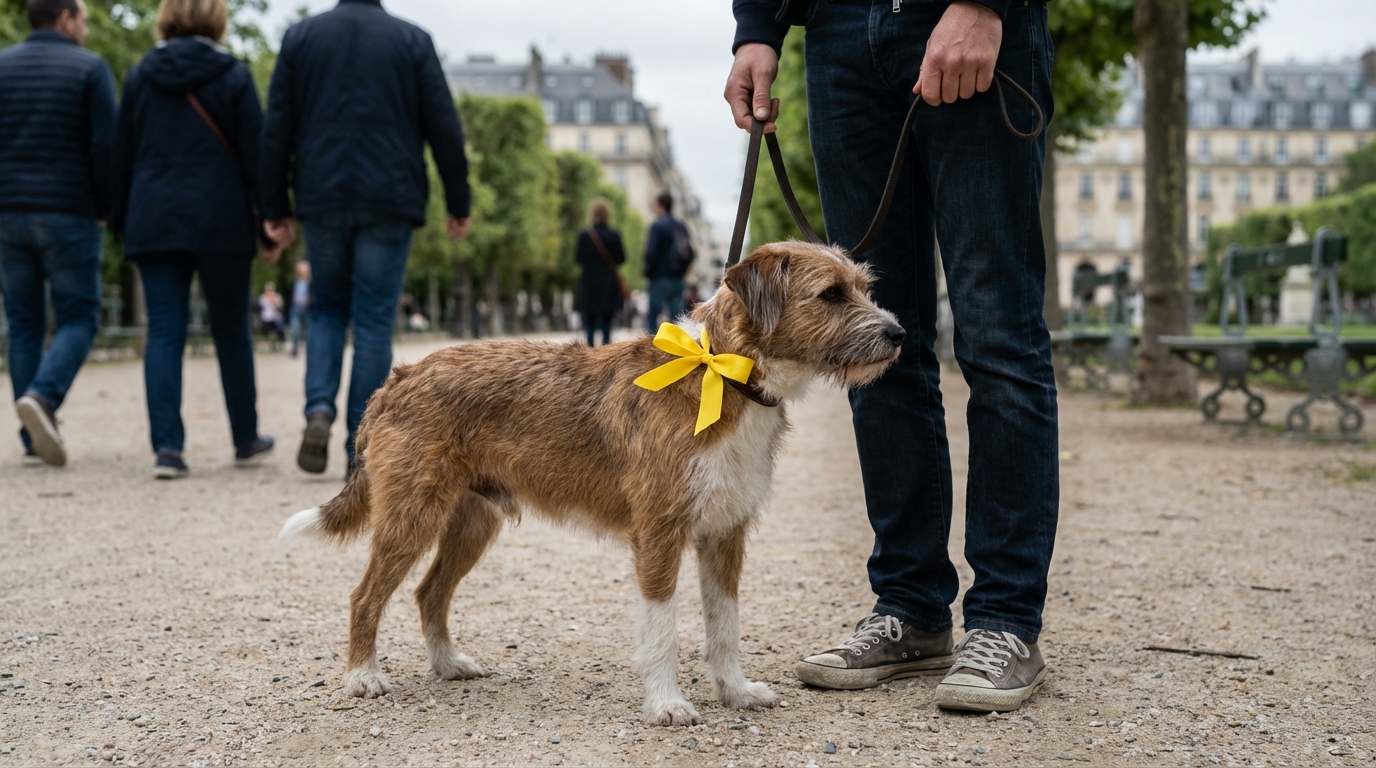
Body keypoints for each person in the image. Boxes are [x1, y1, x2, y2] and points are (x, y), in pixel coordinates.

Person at [726, 0, 1057, 712]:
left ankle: (1004, 620)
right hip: (838, 34)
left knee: (998, 334)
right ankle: (910, 608)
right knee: (870, 347)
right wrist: (756, 28)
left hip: (962, 17)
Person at [260, 0, 472, 478]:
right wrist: (459, 202)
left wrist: (273, 207)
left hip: (322, 192)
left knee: (327, 308)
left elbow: (277, 128)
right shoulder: (412, 40)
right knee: (374, 318)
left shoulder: (301, 37)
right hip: (389, 195)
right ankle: (362, 448)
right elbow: (444, 127)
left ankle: (317, 411)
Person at [109, 0, 278, 479]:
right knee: (231, 330)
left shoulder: (142, 73)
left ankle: (168, 448)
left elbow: (122, 152)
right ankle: (245, 438)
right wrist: (270, 218)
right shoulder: (234, 74)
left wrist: (120, 217)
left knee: (164, 330)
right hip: (222, 219)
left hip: (155, 217)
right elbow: (255, 156)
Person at [0, 0, 116, 468]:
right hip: (67, 210)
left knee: (24, 321)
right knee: (79, 317)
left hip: (7, 212)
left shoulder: (2, 66)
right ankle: (43, 400)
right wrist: (105, 207)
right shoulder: (88, 68)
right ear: (66, 17)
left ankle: (33, 437)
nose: (85, 29)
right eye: (83, 19)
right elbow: (105, 146)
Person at [574, 199, 626, 347]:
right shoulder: (614, 235)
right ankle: (605, 353)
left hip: (589, 283)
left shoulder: (584, 235)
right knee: (606, 321)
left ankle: (589, 353)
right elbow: (621, 259)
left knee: (589, 320)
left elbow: (578, 258)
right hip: (608, 283)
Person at [642, 191, 687, 333]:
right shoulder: (680, 226)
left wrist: (647, 270)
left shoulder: (657, 225)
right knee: (677, 318)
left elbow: (651, 253)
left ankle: (650, 350)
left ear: (660, 206)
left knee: (653, 316)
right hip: (677, 277)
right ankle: (678, 350)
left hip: (659, 277)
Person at [288, 260, 310, 357]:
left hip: (306, 309)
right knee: (295, 329)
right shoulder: (293, 283)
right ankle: (295, 349)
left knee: (308, 331)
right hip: (295, 308)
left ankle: (310, 351)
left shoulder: (311, 284)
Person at [259, 282, 286, 347]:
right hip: (267, 318)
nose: (270, 292)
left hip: (276, 317)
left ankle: (281, 339)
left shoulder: (277, 297)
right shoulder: (262, 298)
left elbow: (281, 308)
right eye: (269, 290)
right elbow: (262, 308)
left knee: (280, 322)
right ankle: (277, 339)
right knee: (274, 324)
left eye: (271, 290)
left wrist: (275, 302)